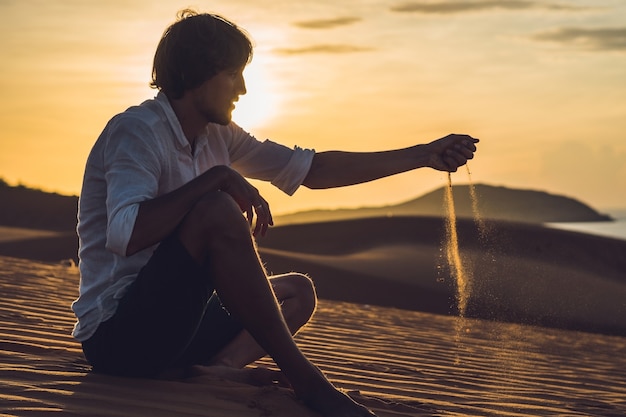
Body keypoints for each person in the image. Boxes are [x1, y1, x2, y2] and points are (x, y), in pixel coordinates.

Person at [71, 9, 478, 417]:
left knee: (297, 291)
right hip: (119, 340)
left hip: (176, 328)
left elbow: (313, 170)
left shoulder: (218, 136)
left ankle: (216, 370)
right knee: (216, 209)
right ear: (197, 74)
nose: (244, 88)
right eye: (233, 74)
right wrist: (216, 180)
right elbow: (125, 234)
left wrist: (424, 155)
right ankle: (309, 383)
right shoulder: (137, 130)